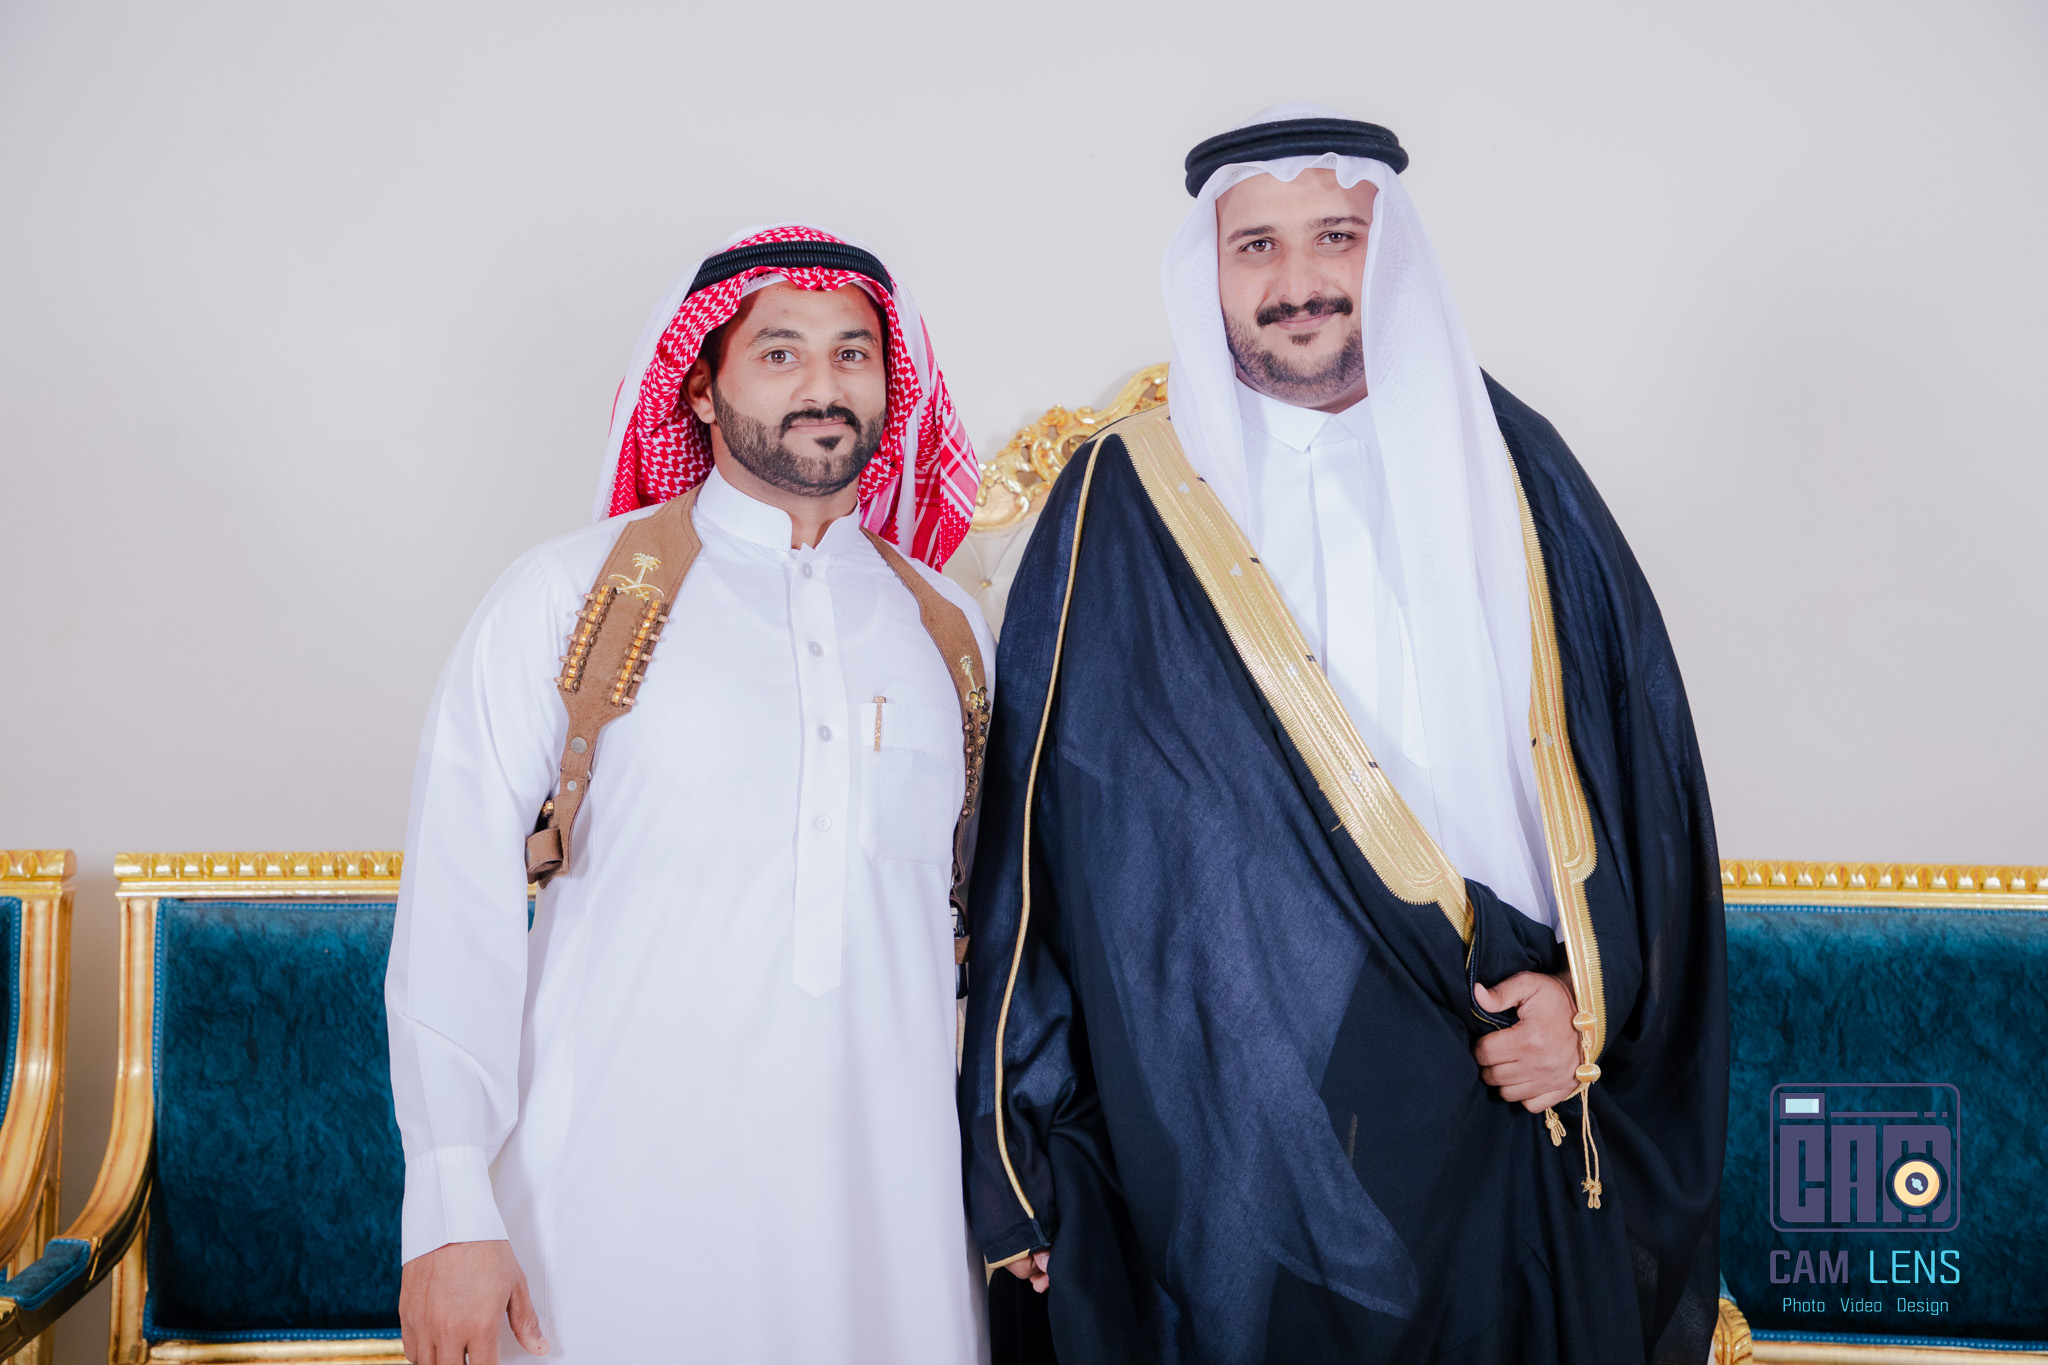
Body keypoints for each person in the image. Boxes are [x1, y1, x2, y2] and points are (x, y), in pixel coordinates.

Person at [959, 108, 1726, 1364]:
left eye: (1335, 236)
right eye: (1254, 246)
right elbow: (1040, 844)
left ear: (1392, 250)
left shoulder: (1517, 471)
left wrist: (1587, 1004)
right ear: (1208, 272)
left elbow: (1641, 785)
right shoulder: (1119, 500)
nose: (1297, 281)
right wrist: (1021, 1144)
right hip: (1228, 1116)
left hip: (1499, 1074)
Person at [389, 224, 993, 1364]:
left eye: (853, 352)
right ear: (702, 389)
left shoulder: (948, 631)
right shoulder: (570, 596)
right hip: (604, 1219)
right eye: (780, 353)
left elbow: (1005, 935)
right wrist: (451, 1205)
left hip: (890, 1230)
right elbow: (456, 906)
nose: (823, 386)